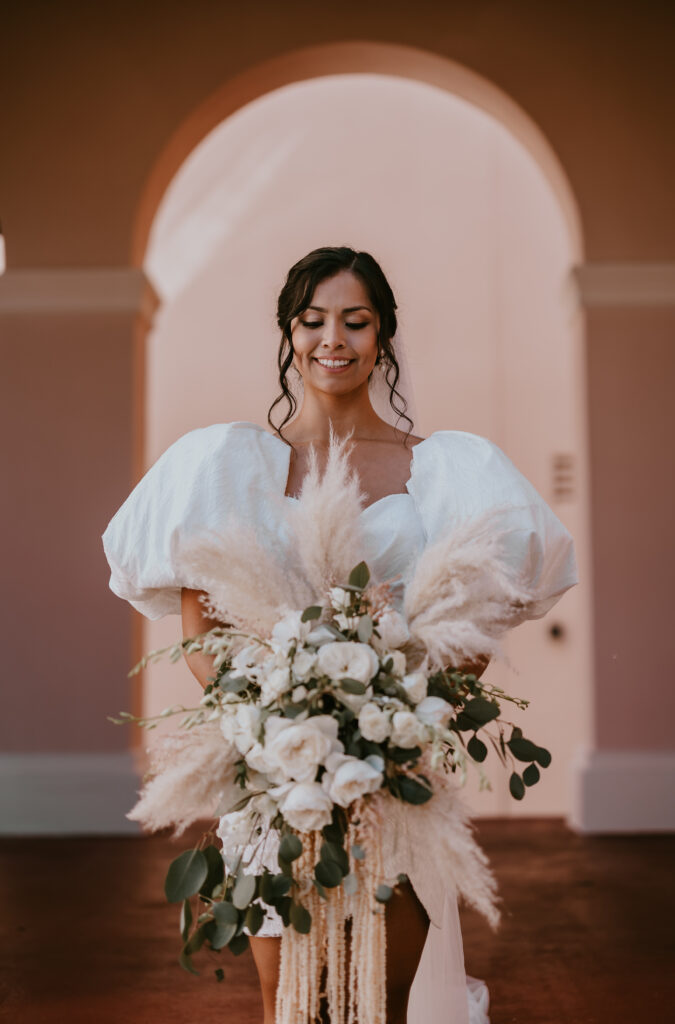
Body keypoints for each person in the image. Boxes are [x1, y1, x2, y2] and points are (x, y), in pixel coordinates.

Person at [102, 245, 578, 1024]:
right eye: (313, 319)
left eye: (355, 321)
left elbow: (469, 626)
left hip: (389, 783)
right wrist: (275, 719)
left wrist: (387, 722)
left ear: (382, 335)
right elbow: (204, 630)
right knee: (285, 1004)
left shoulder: (449, 469)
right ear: (288, 333)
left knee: (379, 1003)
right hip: (275, 778)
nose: (333, 339)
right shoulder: (229, 465)